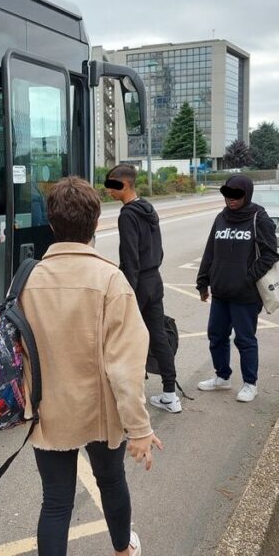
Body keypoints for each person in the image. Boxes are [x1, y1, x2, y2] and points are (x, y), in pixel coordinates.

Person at [20, 176, 161, 556]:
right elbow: (126, 368)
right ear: (97, 223)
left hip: (48, 409)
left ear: (51, 225)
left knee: (55, 502)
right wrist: (140, 429)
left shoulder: (26, 280)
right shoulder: (110, 281)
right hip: (100, 410)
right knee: (112, 483)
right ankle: (122, 550)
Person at [195, 174, 279, 402]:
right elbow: (210, 252)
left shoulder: (258, 217)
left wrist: (248, 277)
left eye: (236, 195)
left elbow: (270, 253)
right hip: (221, 292)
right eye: (227, 195)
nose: (231, 200)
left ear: (247, 194)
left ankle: (250, 384)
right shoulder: (221, 218)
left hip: (245, 295)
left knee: (245, 339)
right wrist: (203, 281)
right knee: (216, 336)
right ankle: (222, 377)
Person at [104, 164, 180, 413]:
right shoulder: (148, 208)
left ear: (124, 184)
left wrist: (127, 295)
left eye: (112, 185)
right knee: (157, 335)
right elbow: (158, 249)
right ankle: (171, 394)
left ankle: (129, 396)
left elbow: (130, 259)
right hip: (154, 280)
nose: (108, 191)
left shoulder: (127, 215)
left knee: (126, 340)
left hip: (137, 283)